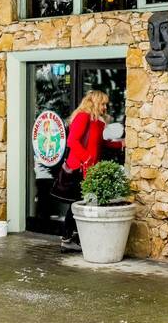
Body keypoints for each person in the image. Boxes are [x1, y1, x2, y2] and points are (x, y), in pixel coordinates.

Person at [52, 90, 123, 249]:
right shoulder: (83, 116)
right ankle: (67, 239)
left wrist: (121, 144)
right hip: (79, 169)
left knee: (82, 204)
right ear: (94, 102)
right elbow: (72, 141)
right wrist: (86, 159)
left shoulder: (97, 121)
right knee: (78, 204)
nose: (105, 107)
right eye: (103, 104)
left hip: (89, 170)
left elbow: (102, 143)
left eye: (106, 104)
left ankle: (74, 238)